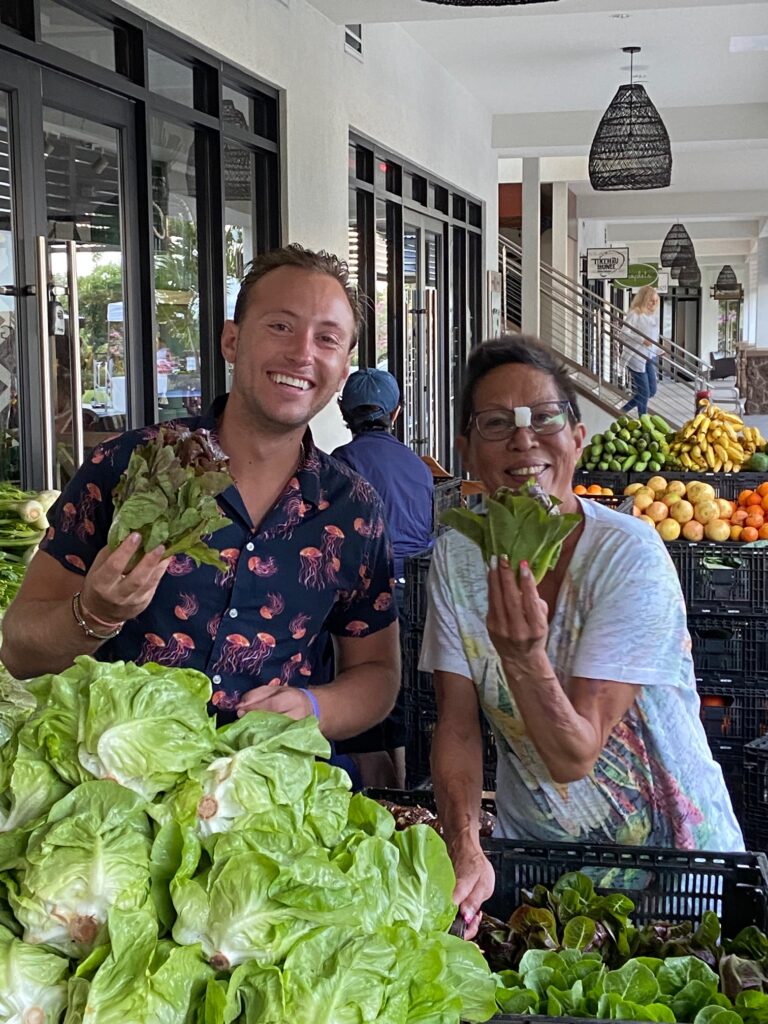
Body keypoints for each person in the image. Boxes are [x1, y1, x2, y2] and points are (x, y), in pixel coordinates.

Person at [1, 244, 400, 754]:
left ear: (343, 371)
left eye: (327, 338)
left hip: (263, 796)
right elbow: (19, 648)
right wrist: (93, 615)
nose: (302, 353)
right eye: (280, 326)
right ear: (232, 341)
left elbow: (377, 672)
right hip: (115, 790)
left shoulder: (353, 510)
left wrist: (314, 708)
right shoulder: (131, 467)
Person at [419, 335, 743, 937]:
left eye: (544, 418)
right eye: (496, 424)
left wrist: (522, 656)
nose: (524, 439)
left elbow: (574, 754)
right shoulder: (457, 557)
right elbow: (457, 723)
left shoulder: (630, 554)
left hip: (676, 871)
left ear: (577, 438)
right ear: (464, 450)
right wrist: (464, 842)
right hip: (541, 873)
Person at [331, 367, 435, 786]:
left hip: (364, 610)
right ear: (397, 412)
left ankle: (386, 803)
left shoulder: (338, 467)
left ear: (343, 412)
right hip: (416, 601)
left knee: (368, 729)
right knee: (408, 708)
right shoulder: (419, 467)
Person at [619, 285, 662, 415]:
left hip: (649, 357)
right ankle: (643, 421)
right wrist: (641, 339)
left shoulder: (652, 316)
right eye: (651, 300)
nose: (654, 303)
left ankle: (622, 411)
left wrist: (658, 350)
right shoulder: (635, 313)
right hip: (636, 357)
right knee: (644, 392)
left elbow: (653, 338)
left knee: (652, 391)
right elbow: (623, 334)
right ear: (643, 299)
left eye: (656, 300)